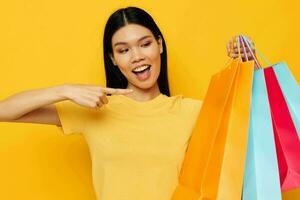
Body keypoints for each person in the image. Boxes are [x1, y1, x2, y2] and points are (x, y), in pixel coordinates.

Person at [0, 6, 254, 200]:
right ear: (113, 59)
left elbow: (258, 142)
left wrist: (246, 67)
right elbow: (4, 111)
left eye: (144, 44)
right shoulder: (95, 109)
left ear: (159, 45)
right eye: (124, 50)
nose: (137, 57)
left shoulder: (194, 111)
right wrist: (66, 90)